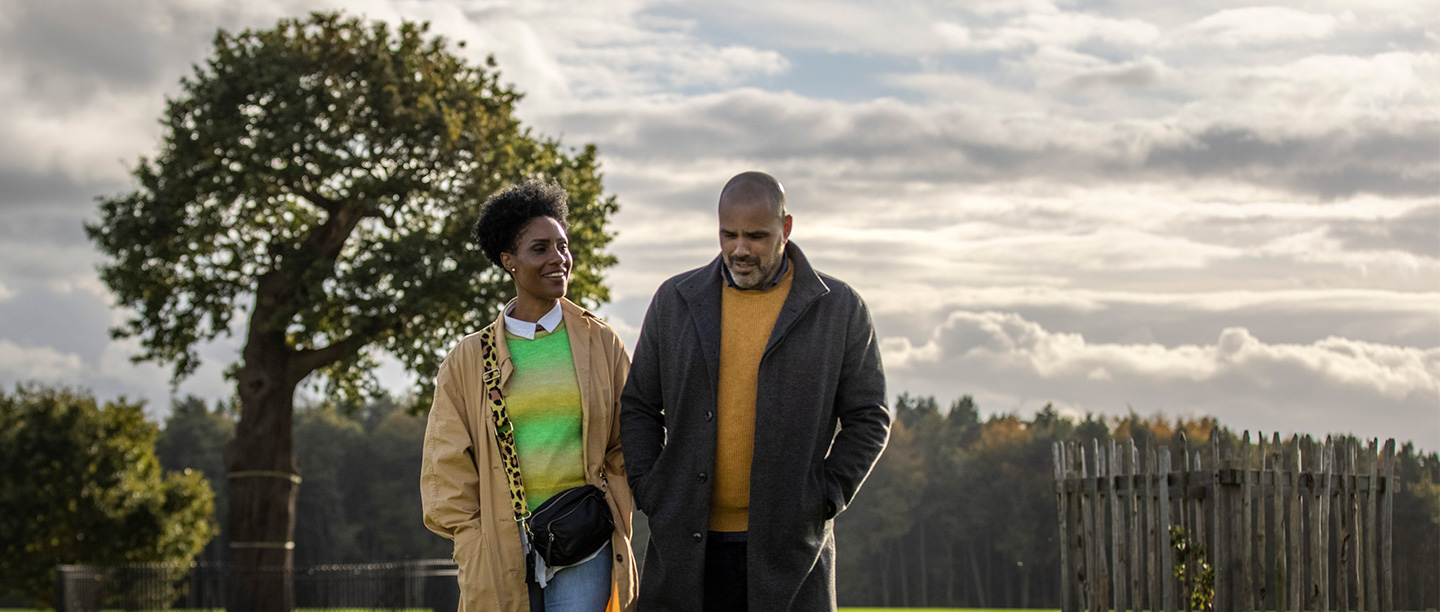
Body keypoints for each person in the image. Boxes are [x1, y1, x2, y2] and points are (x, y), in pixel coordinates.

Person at [619, 171, 891, 611]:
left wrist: (824, 496)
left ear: (785, 228)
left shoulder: (839, 308)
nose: (740, 249)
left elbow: (869, 418)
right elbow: (638, 407)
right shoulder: (675, 300)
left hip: (791, 552)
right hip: (687, 548)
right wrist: (652, 490)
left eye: (756, 236)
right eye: (729, 234)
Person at [422, 180, 637, 612]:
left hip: (585, 543)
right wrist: (474, 537)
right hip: (501, 548)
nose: (558, 259)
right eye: (540, 249)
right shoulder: (467, 360)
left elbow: (627, 439)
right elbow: (446, 463)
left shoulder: (602, 342)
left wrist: (612, 504)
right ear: (509, 262)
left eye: (562, 246)